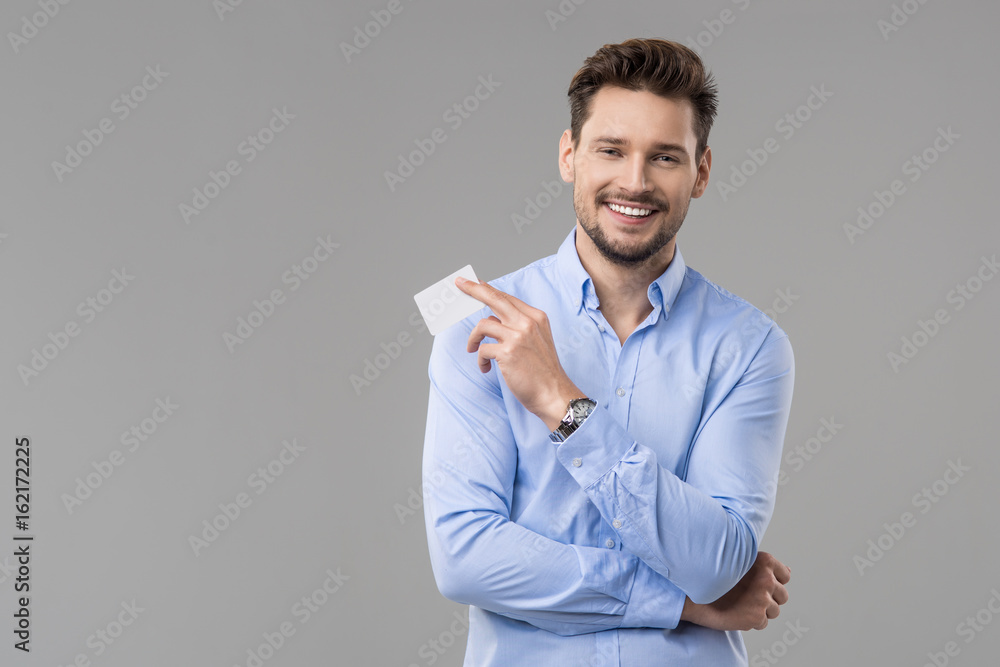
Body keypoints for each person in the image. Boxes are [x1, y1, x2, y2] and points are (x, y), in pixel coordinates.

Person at [421, 37, 795, 666]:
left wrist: (564, 405)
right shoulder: (483, 328)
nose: (635, 181)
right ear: (570, 156)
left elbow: (718, 564)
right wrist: (680, 606)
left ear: (701, 172)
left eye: (665, 157)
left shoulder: (750, 347)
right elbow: (464, 559)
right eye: (611, 150)